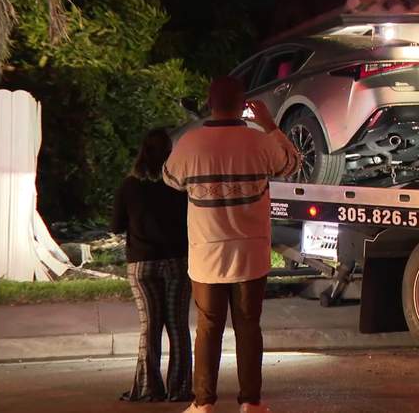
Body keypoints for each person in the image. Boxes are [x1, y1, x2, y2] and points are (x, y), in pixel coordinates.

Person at [163, 77, 300, 413]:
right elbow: (292, 163)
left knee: (209, 327)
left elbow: (170, 178)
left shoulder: (190, 143)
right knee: (248, 327)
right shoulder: (258, 142)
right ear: (244, 106)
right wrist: (270, 125)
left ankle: (204, 403)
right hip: (250, 255)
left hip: (207, 254)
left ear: (209, 104)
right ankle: (250, 402)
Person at [111, 127, 192, 403]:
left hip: (142, 265)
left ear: (142, 152)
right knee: (178, 327)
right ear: (170, 153)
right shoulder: (179, 185)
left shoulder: (129, 186)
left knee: (150, 326)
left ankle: (148, 388)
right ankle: (180, 389)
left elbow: (116, 225)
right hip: (177, 262)